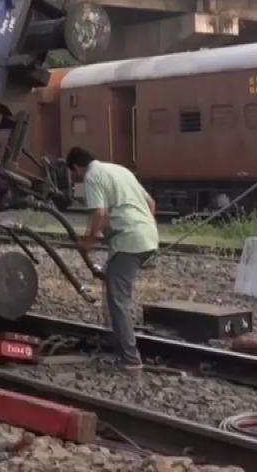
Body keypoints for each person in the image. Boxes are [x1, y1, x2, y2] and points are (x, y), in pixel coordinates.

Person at [66, 147, 159, 373]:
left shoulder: (92, 176)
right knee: (113, 286)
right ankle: (115, 344)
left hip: (128, 240)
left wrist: (88, 242)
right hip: (147, 236)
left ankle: (130, 359)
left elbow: (99, 213)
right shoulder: (120, 170)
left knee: (119, 300)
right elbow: (151, 204)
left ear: (76, 167)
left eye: (74, 173)